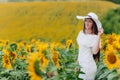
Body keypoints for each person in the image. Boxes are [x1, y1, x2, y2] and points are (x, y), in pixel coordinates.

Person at [76, 12, 104, 80]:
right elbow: (81, 50)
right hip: (80, 66)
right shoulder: (81, 33)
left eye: (90, 21)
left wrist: (99, 35)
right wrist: (76, 64)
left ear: (93, 24)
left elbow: (95, 52)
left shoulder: (95, 37)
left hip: (88, 67)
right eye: (86, 20)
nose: (87, 23)